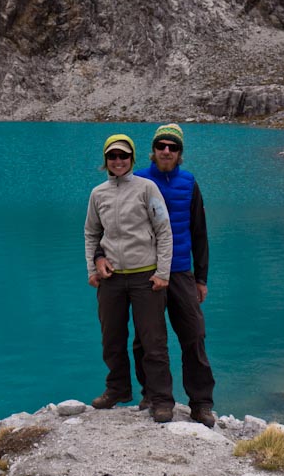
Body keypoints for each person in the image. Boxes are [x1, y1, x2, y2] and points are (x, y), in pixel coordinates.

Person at [94, 123, 216, 427]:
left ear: (180, 153)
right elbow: (107, 227)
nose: (166, 151)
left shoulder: (189, 183)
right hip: (145, 270)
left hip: (179, 271)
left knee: (193, 335)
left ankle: (200, 403)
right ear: (151, 150)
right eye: (161, 146)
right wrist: (98, 256)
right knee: (145, 339)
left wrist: (201, 278)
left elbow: (199, 232)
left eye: (172, 147)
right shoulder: (135, 180)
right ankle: (151, 393)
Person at [84, 134, 176, 423]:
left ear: (132, 158)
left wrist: (162, 273)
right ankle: (118, 389)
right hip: (111, 278)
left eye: (123, 156)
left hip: (145, 277)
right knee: (111, 338)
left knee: (153, 341)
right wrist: (92, 267)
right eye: (112, 156)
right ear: (106, 161)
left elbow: (164, 230)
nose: (118, 161)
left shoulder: (147, 188)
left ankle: (161, 399)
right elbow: (91, 233)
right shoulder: (98, 193)